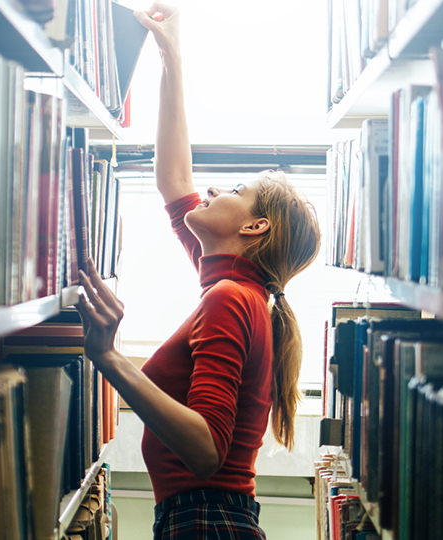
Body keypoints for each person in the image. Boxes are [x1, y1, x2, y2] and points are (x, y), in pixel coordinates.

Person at [77, 3, 321, 538]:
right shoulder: (233, 285)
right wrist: (171, 56)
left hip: (204, 521)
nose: (213, 190)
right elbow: (173, 179)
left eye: (235, 191)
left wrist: (109, 358)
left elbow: (207, 450)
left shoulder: (230, 297)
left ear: (255, 228)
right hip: (210, 517)